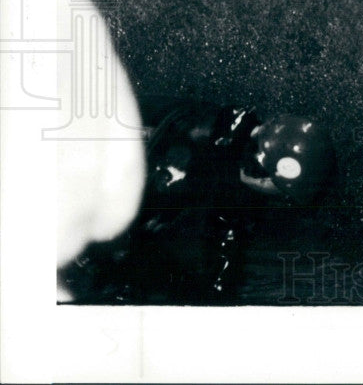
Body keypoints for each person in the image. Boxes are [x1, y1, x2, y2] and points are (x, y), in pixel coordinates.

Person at [59, 97, 337, 303]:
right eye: (277, 190)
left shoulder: (233, 178)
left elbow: (227, 236)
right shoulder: (201, 130)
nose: (276, 198)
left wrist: (217, 291)